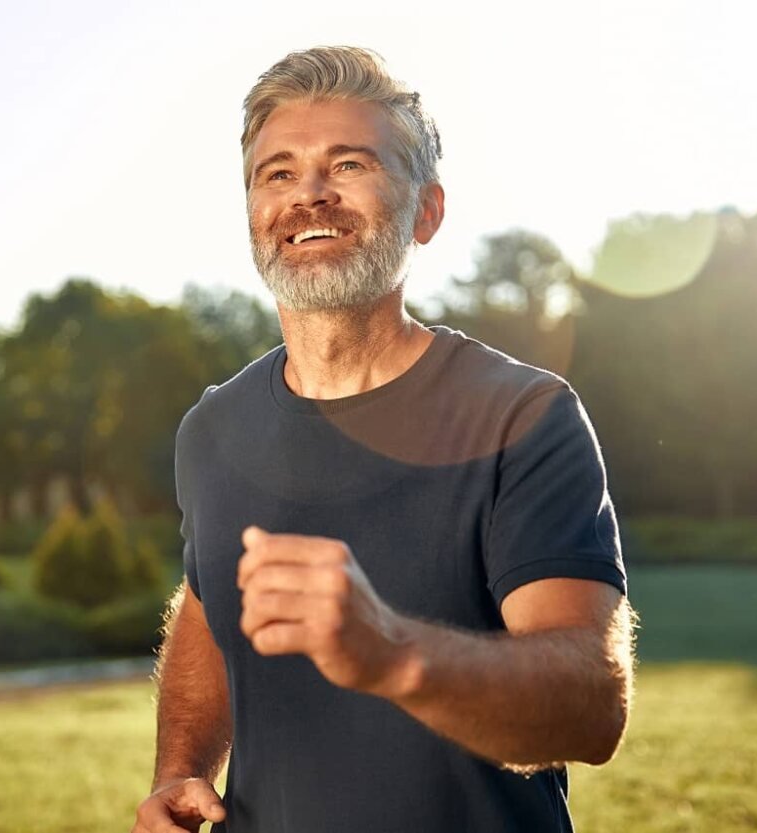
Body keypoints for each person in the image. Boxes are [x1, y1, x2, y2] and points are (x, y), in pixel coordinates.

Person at [132, 46, 635, 833]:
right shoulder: (213, 429)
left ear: (425, 211)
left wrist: (393, 650)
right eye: (278, 173)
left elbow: (592, 706)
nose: (310, 196)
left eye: (349, 164)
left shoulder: (524, 415)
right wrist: (181, 768)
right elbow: (207, 605)